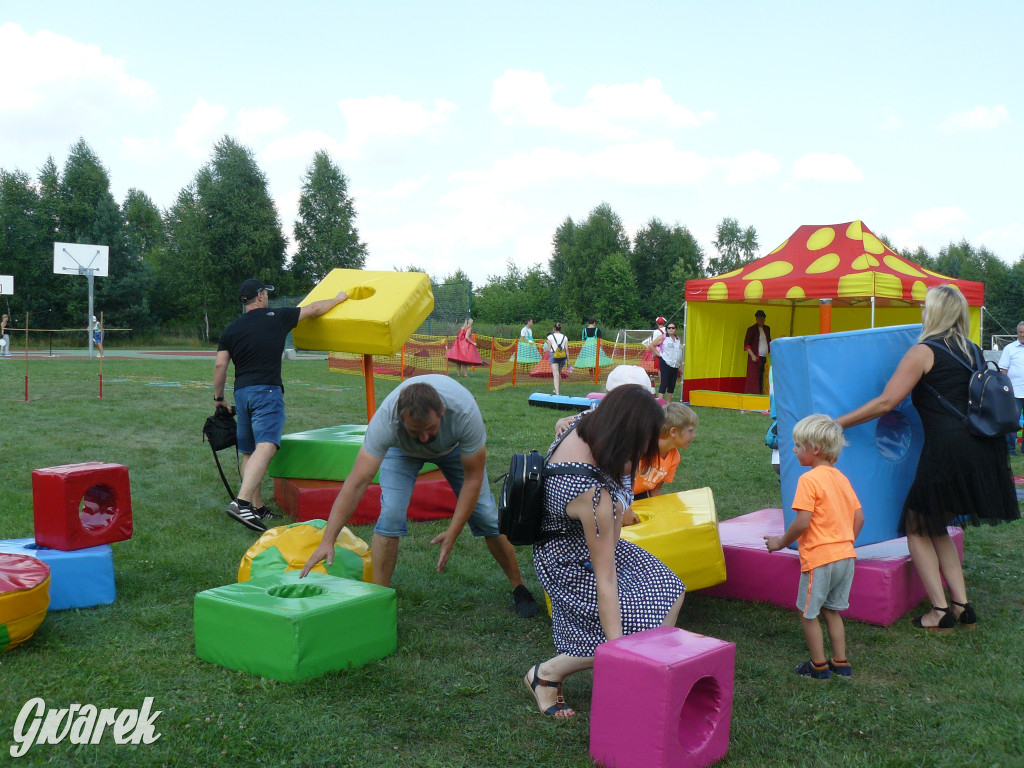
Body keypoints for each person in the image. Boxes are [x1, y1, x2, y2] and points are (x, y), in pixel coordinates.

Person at [837, 285, 1020, 630]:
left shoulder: (923, 352)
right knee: (937, 525)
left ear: (933, 312)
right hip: (982, 446)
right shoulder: (972, 351)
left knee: (916, 525)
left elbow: (885, 403)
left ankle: (938, 611)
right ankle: (962, 606)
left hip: (948, 448)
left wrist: (836, 422)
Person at [300, 375, 540, 618]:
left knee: (486, 516)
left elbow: (473, 479)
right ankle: (380, 600)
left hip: (453, 449)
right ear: (401, 419)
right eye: (416, 431)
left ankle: (518, 586)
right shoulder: (386, 422)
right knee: (391, 513)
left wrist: (453, 531)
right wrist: (328, 539)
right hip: (401, 451)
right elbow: (356, 482)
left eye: (431, 429)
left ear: (443, 413)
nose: (425, 439)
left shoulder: (465, 413)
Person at [524, 384, 686, 718]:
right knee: (631, 629)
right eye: (644, 440)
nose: (646, 449)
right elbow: (606, 578)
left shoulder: (587, 423)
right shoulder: (594, 496)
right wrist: (620, 648)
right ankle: (546, 675)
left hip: (587, 540)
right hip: (566, 559)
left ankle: (640, 667)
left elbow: (579, 418)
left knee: (670, 589)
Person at [214, 279, 349, 532]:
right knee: (267, 445)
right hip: (267, 391)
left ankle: (256, 508)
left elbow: (221, 365)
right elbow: (314, 309)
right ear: (261, 296)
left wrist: (219, 399)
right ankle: (242, 503)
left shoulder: (231, 329)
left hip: (242, 393)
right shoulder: (277, 317)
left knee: (248, 451)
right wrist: (338, 298)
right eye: (266, 293)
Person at [764, 415, 864, 680]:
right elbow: (860, 517)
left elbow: (802, 522)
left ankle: (818, 666)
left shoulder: (809, 480)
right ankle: (840, 662)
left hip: (820, 559)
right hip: (846, 557)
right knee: (832, 610)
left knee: (808, 613)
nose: (794, 450)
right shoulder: (841, 478)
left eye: (798, 445)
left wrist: (780, 543)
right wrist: (844, 542)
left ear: (815, 449)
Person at [628, 402, 698, 514]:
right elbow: (617, 483)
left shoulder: (674, 457)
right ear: (673, 432)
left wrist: (663, 513)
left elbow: (655, 490)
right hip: (617, 495)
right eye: (690, 431)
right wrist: (626, 510)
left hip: (639, 496)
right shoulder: (643, 448)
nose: (693, 435)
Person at [997, 321, 1024, 455]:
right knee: (1012, 421)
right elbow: (1003, 370)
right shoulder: (1009, 348)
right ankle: (1010, 449)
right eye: (1020, 332)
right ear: (1017, 333)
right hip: (1014, 392)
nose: (1022, 334)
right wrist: (1005, 389)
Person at [648, 321, 682, 401]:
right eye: (669, 328)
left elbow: (679, 352)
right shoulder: (663, 337)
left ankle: (668, 403)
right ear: (666, 329)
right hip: (666, 362)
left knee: (672, 384)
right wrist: (658, 354)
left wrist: (680, 365)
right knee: (664, 383)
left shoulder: (677, 339)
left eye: (673, 328)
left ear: (676, 329)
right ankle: (660, 402)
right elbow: (651, 345)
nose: (671, 329)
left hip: (675, 364)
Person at [744, 310, 771, 394]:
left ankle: (763, 393)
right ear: (756, 319)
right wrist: (752, 355)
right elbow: (746, 344)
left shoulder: (767, 329)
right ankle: (753, 395)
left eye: (762, 318)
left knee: (764, 377)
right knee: (754, 378)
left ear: (764, 319)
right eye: (759, 318)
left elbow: (769, 341)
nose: (760, 320)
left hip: (765, 358)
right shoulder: (751, 329)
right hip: (755, 358)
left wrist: (770, 353)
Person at [544, 322, 569, 395]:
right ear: (560, 329)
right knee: (559, 373)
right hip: (562, 356)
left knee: (555, 374)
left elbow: (548, 349)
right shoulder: (565, 337)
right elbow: (567, 349)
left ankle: (557, 392)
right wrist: (569, 361)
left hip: (553, 354)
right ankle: (557, 389)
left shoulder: (550, 337)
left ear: (554, 329)